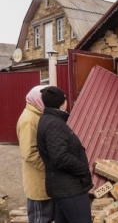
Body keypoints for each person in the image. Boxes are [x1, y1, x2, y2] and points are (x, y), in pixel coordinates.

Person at [36, 86, 93, 223]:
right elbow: (60, 157)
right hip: (69, 188)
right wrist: (83, 167)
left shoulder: (50, 120)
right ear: (63, 102)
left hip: (64, 187)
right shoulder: (54, 124)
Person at [16, 85, 55, 223]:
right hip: (38, 181)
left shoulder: (38, 115)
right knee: (40, 218)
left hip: (46, 180)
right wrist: (50, 168)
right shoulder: (29, 120)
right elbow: (29, 153)